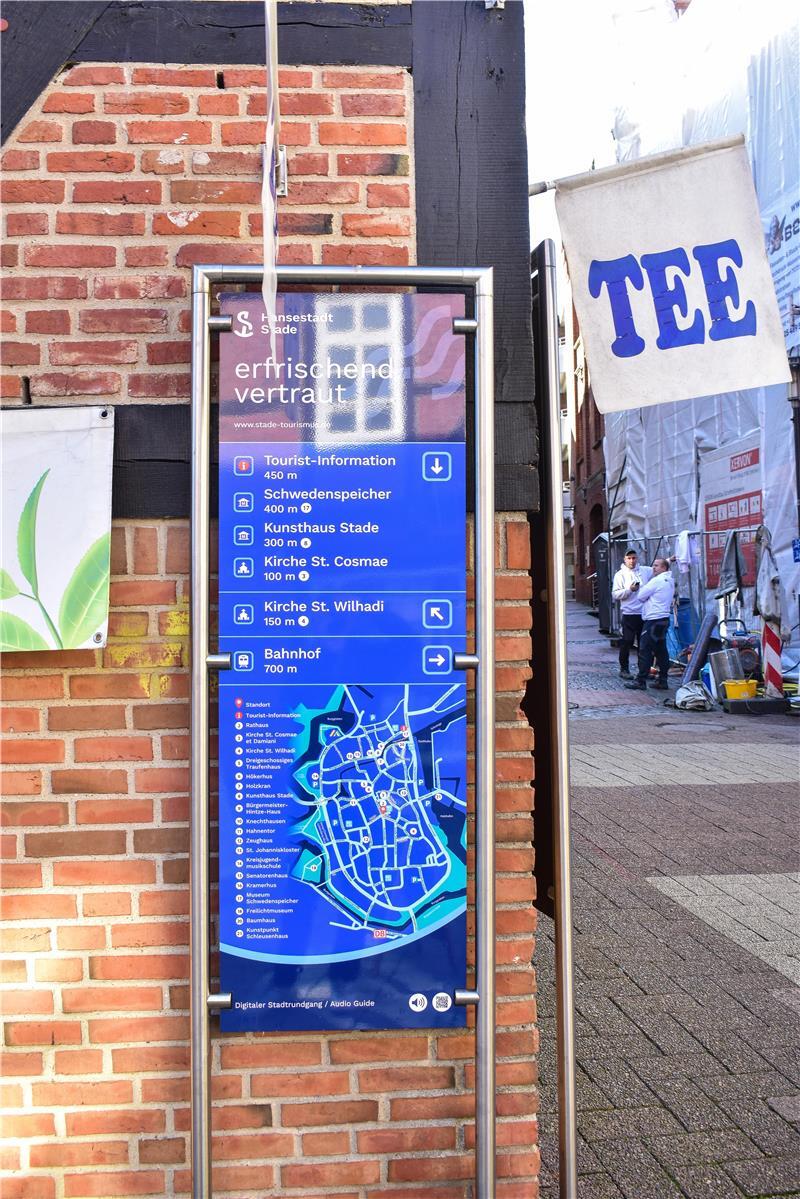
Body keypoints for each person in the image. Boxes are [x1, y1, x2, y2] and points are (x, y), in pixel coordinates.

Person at [625, 557, 675, 690]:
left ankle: (640, 680)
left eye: (656, 566)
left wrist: (645, 588)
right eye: (653, 565)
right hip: (664, 619)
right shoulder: (670, 580)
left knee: (644, 650)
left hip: (653, 619)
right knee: (661, 650)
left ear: (664, 568)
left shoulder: (657, 581)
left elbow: (641, 596)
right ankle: (663, 680)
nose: (653, 568)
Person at [611, 549, 652, 679]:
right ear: (624, 559)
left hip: (644, 614)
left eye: (634, 558)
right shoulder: (620, 575)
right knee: (627, 642)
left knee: (643, 644)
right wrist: (629, 590)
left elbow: (658, 568)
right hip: (629, 614)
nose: (632, 561)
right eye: (629, 558)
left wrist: (670, 560)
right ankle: (624, 669)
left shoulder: (645, 570)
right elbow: (615, 594)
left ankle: (643, 671)